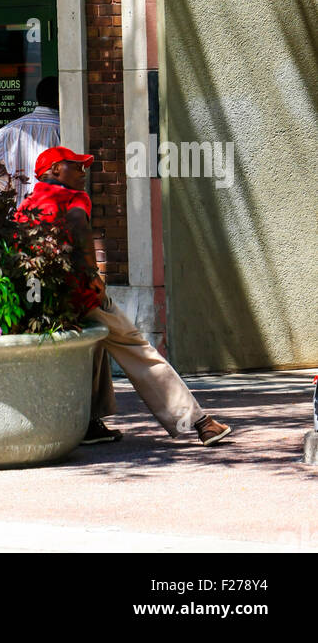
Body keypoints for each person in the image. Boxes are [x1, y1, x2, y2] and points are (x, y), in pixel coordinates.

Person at [18, 146, 232, 448]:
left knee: (94, 346)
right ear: (54, 170)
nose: (83, 172)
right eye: (76, 166)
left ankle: (90, 423)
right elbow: (79, 225)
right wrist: (93, 275)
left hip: (49, 299)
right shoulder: (74, 197)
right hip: (83, 294)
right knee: (137, 349)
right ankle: (198, 422)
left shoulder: (26, 205)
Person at [0, 75, 60, 205]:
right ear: (60, 98)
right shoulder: (64, 128)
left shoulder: (13, 128)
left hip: (22, 209)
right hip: (56, 207)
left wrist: (9, 185)